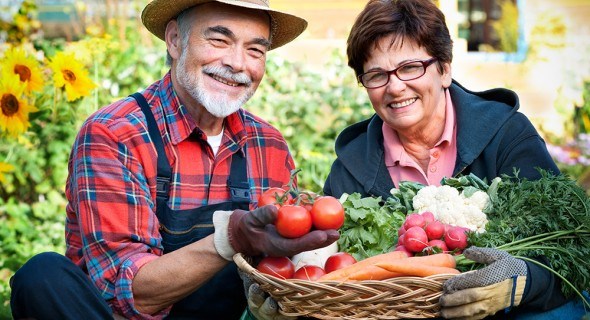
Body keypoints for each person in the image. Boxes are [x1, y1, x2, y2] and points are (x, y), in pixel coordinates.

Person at [9, 0, 339, 319]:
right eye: (219, 40)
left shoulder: (268, 144)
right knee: (42, 276)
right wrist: (232, 238)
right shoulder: (115, 135)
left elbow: (279, 267)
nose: (238, 64)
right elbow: (129, 295)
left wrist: (285, 293)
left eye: (255, 50)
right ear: (175, 40)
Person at [320, 0, 586, 319]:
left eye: (409, 68)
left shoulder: (508, 136)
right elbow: (327, 271)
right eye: (376, 75)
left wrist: (522, 282)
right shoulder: (348, 172)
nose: (394, 87)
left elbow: (574, 253)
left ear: (444, 69)